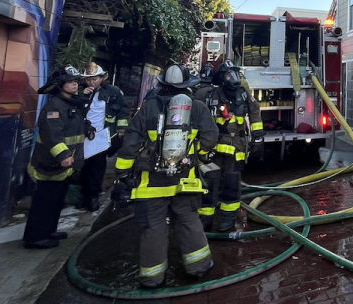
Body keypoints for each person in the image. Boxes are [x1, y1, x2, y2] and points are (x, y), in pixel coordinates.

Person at [112, 63, 219, 288]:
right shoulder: (198, 108)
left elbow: (130, 144)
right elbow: (210, 137)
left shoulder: (148, 107)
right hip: (185, 179)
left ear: (162, 85)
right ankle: (198, 267)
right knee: (189, 220)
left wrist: (122, 174)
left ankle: (152, 277)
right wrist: (196, 154)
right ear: (187, 85)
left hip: (150, 183)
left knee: (153, 226)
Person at [23, 66, 88, 249]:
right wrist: (63, 155)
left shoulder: (70, 104)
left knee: (56, 200)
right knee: (44, 201)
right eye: (70, 82)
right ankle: (35, 237)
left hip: (63, 165)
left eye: (76, 82)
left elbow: (73, 127)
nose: (75, 85)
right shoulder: (54, 106)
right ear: (59, 86)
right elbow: (53, 133)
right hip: (50, 163)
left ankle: (49, 230)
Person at [197, 60, 264, 232]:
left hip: (237, 147)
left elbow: (255, 113)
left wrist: (257, 136)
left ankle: (228, 218)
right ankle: (206, 217)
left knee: (232, 184)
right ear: (221, 78)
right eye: (229, 75)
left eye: (235, 74)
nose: (233, 79)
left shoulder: (243, 94)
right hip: (215, 147)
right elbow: (202, 121)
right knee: (209, 183)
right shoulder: (212, 96)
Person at [78, 62, 130, 211]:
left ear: (101, 78)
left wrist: (121, 129)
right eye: (89, 79)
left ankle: (93, 196)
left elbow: (123, 110)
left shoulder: (113, 92)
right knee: (83, 167)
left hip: (102, 135)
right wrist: (83, 96)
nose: (92, 82)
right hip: (82, 136)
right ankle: (84, 195)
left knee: (97, 166)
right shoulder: (80, 93)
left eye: (95, 78)